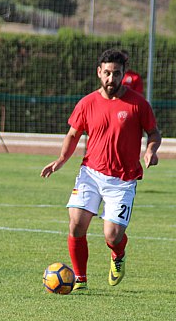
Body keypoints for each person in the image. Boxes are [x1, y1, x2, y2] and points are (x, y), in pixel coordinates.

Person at [41, 48, 162, 291]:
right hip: (91, 173)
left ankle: (118, 255)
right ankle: (80, 280)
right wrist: (61, 160)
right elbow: (73, 134)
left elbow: (154, 133)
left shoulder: (138, 104)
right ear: (99, 72)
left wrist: (151, 150)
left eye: (116, 74)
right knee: (76, 223)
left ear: (123, 75)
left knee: (112, 235)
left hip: (123, 179)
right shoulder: (87, 103)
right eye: (106, 73)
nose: (111, 79)